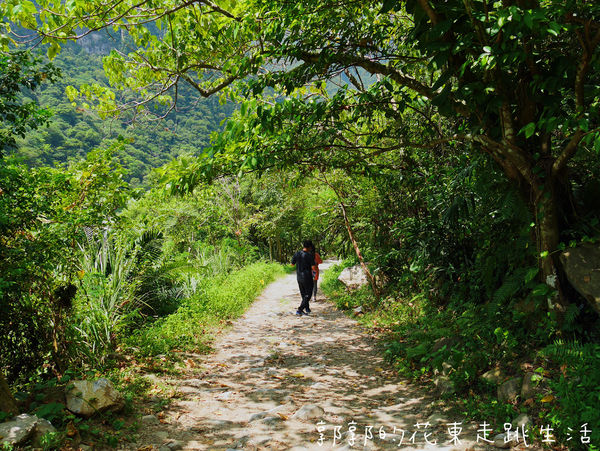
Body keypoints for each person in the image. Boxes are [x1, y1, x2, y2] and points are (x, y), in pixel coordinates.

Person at [291, 240, 316, 316]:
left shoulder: (297, 254)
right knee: (308, 294)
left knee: (303, 294)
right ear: (310, 247)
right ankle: (300, 309)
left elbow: (292, 264)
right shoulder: (309, 255)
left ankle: (307, 309)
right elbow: (313, 267)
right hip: (307, 277)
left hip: (299, 277)